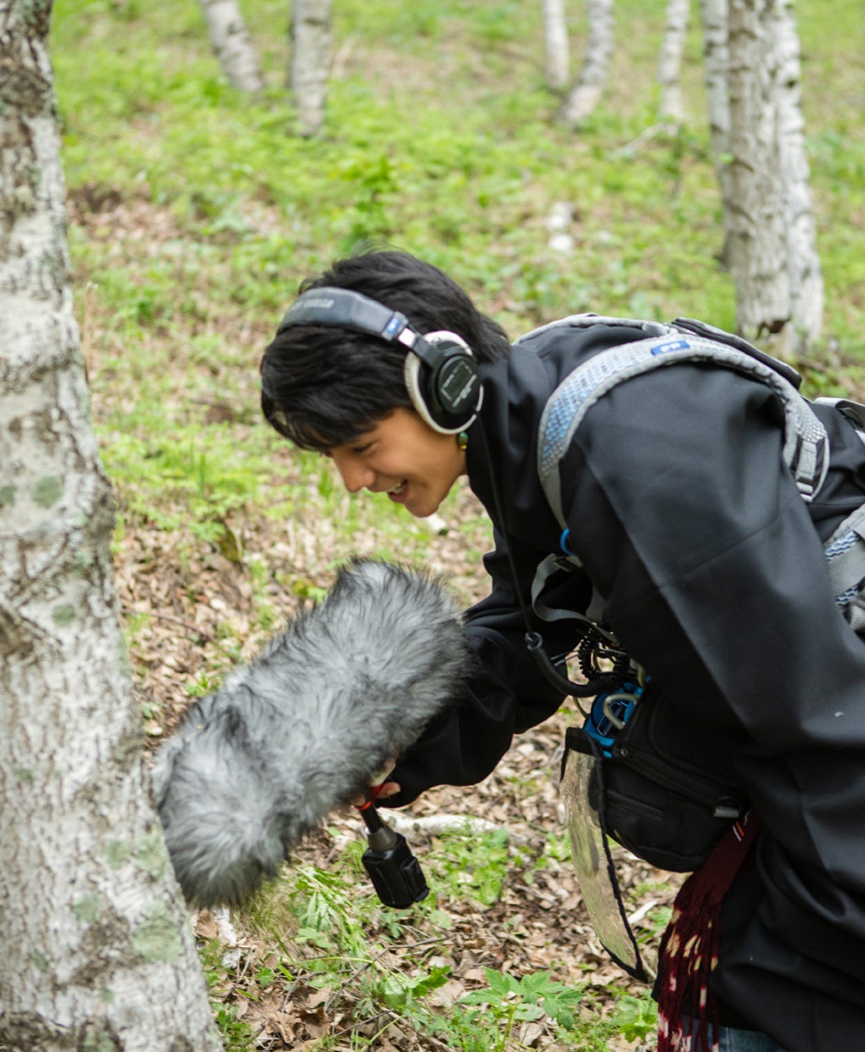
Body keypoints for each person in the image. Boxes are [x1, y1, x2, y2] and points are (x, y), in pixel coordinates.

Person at [260, 248, 865, 1052]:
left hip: (835, 754)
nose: (352, 480)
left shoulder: (629, 464)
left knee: (772, 993)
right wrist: (404, 733)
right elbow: (540, 620)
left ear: (443, 384)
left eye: (362, 445)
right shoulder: (533, 430)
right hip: (817, 737)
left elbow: (816, 733)